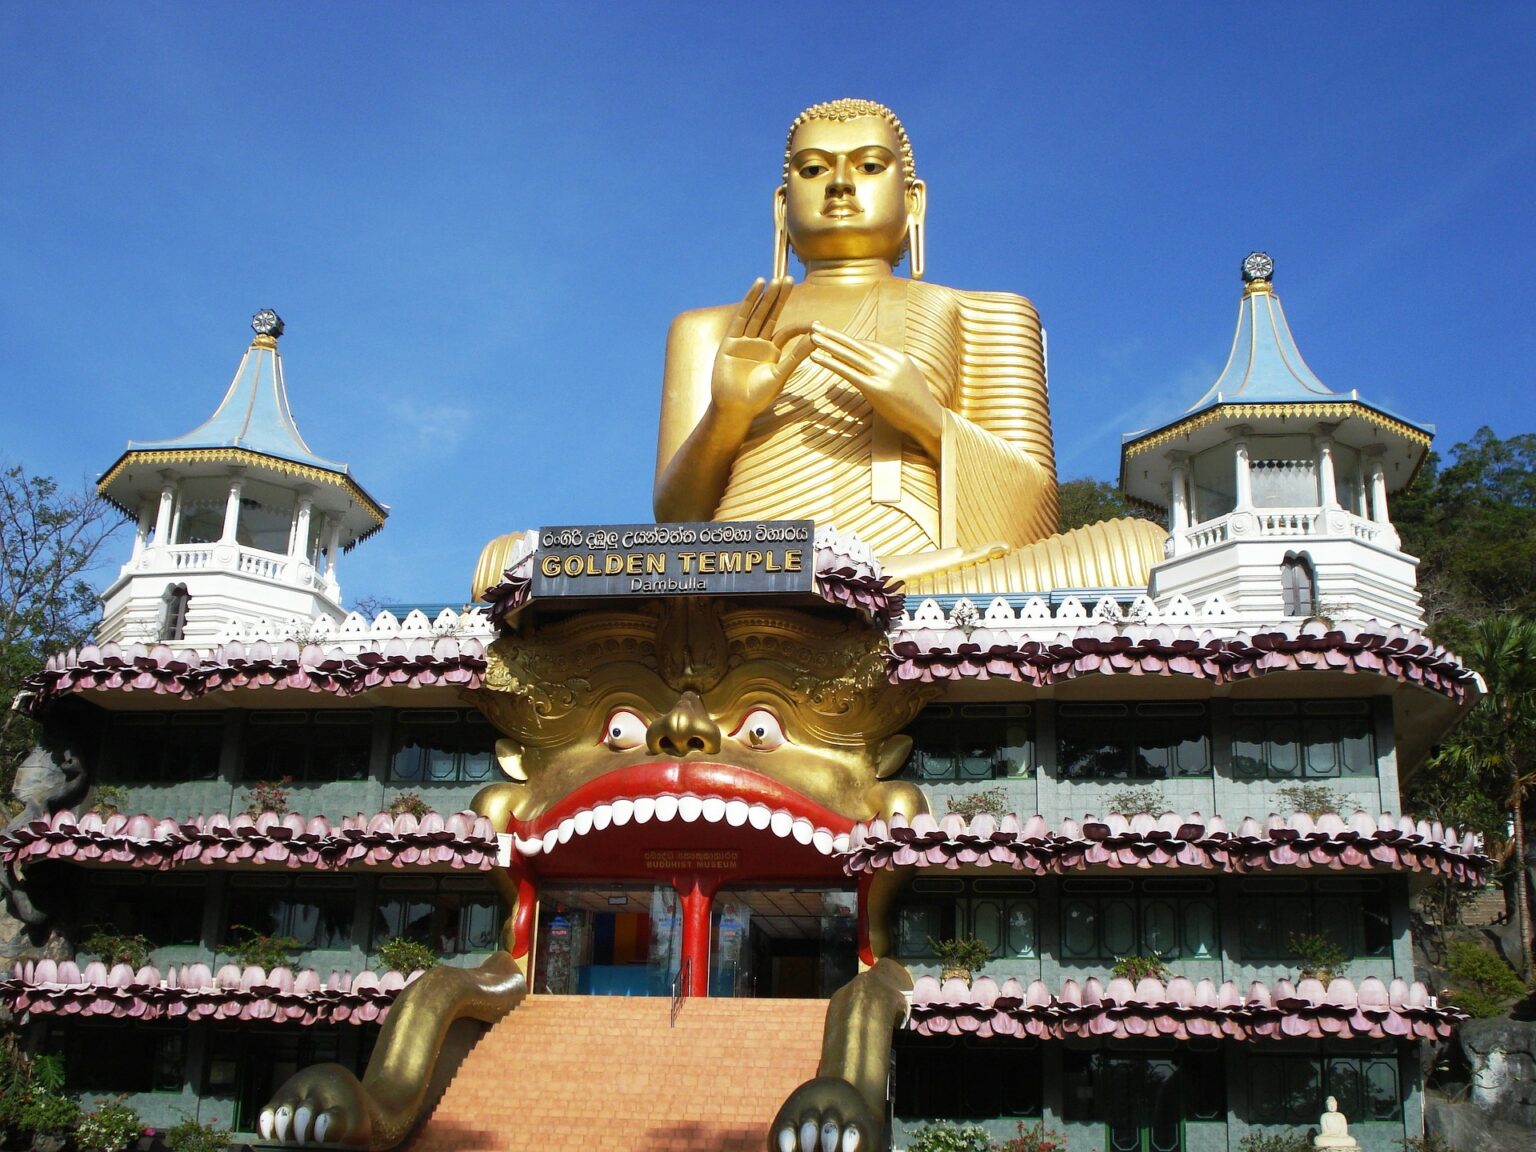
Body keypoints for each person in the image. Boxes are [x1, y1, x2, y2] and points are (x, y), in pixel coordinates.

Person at [651, 98, 1164, 593]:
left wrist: (925, 416)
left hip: (921, 574)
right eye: (812, 170)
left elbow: (1034, 512)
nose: (840, 185)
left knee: (1139, 546)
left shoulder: (986, 311)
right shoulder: (710, 329)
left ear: (913, 199)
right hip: (749, 571)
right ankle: (827, 584)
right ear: (781, 207)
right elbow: (678, 523)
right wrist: (728, 417)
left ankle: (862, 585)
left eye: (870, 165)